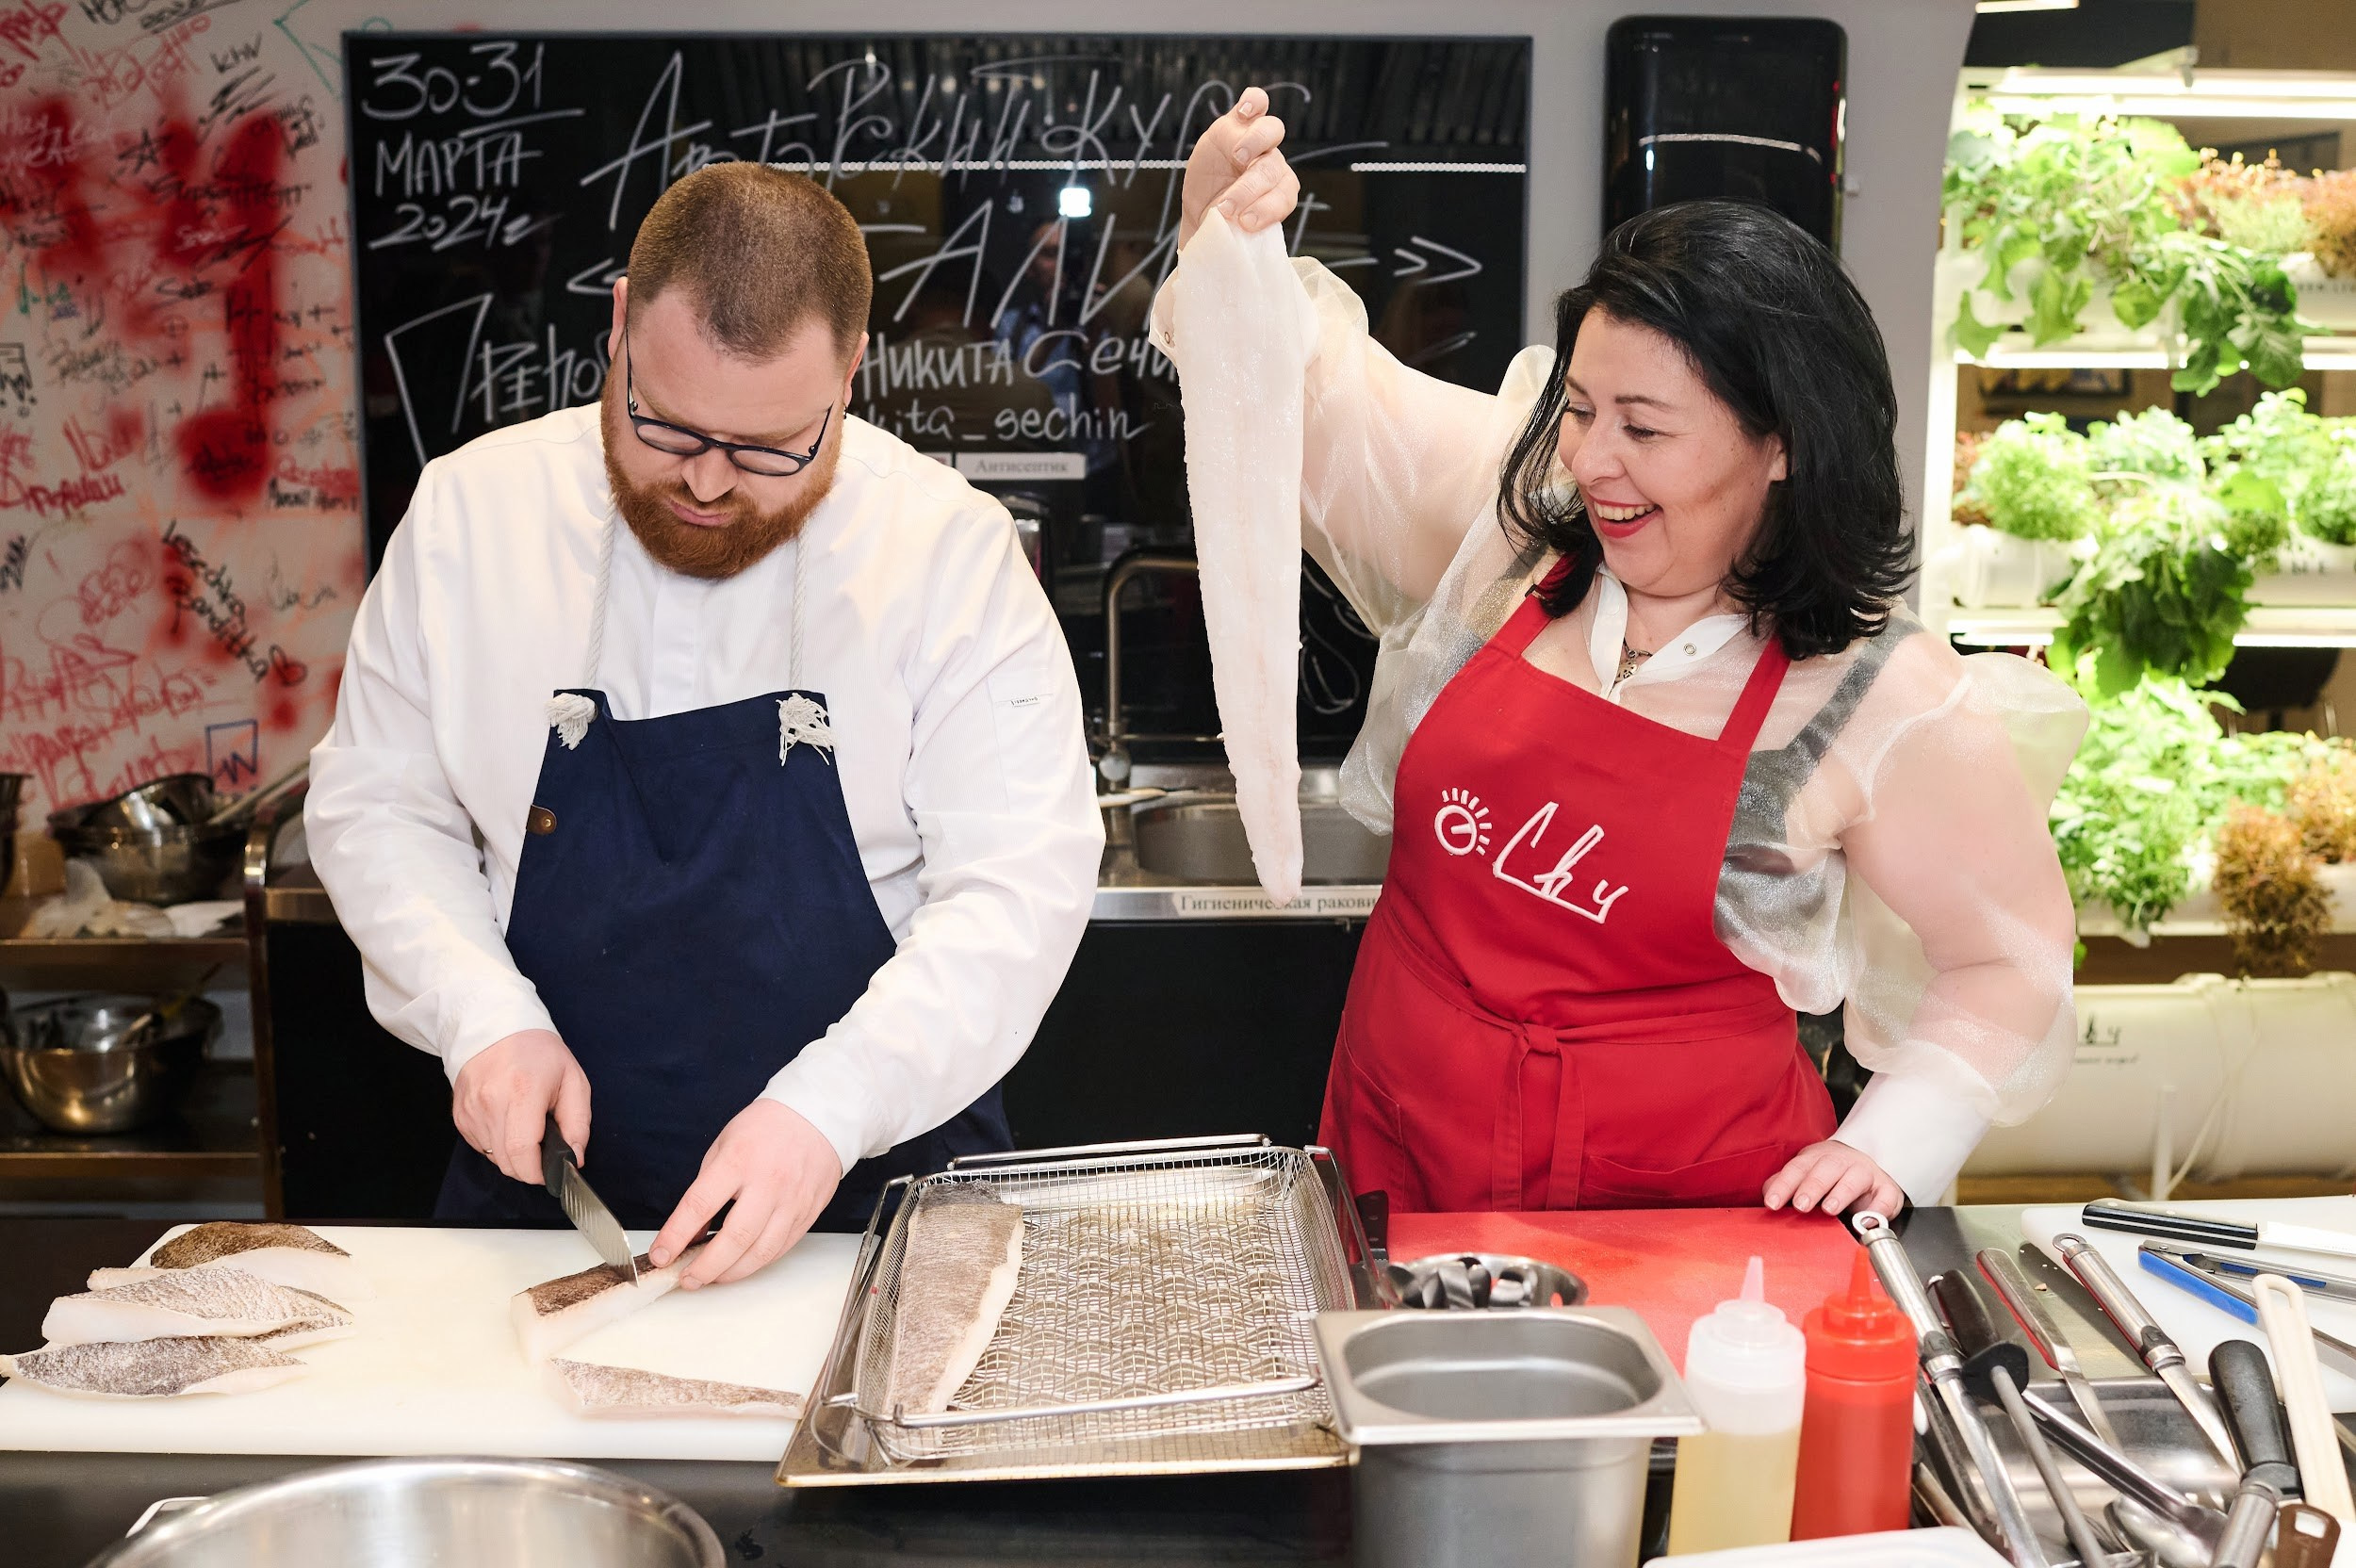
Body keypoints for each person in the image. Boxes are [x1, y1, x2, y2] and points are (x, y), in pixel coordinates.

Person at [1160, 90, 2085, 1217]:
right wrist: (1220, 255)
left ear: (1782, 442)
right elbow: (1308, 405)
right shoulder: (1509, 523)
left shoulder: (1877, 692)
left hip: (1674, 1219)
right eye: (1582, 407)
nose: (1594, 460)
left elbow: (2010, 957)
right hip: (1402, 1148)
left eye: (1644, 428)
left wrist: (1896, 1142)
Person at [307, 165, 1103, 1286]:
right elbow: (378, 805)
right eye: (665, 424)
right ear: (623, 320)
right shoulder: (468, 518)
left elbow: (1019, 886)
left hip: (878, 1199)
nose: (710, 482)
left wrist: (831, 1108)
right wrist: (479, 1012)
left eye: (773, 446)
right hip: (543, 1192)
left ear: (849, 372)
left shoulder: (947, 555)